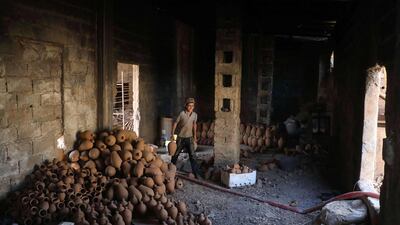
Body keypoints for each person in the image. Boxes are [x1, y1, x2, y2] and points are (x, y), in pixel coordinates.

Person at [171, 97, 202, 179]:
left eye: (192, 106)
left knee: (192, 156)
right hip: (180, 138)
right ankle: (171, 171)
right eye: (189, 106)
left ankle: (197, 174)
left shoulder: (195, 115)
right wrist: (172, 134)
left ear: (194, 107)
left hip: (189, 138)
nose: (191, 108)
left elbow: (194, 125)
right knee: (175, 154)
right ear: (186, 106)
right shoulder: (182, 114)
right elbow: (175, 123)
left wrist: (195, 136)